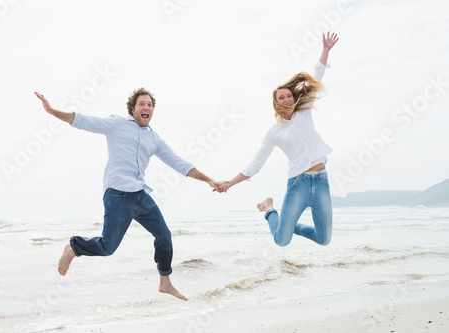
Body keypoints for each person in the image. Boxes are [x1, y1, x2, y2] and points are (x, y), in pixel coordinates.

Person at [35, 88, 222, 301]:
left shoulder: (154, 138)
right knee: (107, 248)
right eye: (142, 104)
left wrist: (209, 180)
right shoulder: (117, 124)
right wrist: (52, 111)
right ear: (133, 109)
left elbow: (179, 163)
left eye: (150, 105)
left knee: (164, 236)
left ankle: (165, 282)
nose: (146, 107)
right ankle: (74, 248)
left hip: (140, 195)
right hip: (117, 193)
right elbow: (84, 120)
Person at [217, 32, 339, 247]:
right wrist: (229, 183)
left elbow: (316, 76)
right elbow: (256, 164)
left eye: (289, 96)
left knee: (324, 239)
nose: (286, 99)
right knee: (281, 240)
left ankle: (288, 226)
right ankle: (269, 209)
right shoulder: (274, 132)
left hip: (321, 181)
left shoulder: (305, 112)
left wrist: (326, 50)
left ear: (293, 98)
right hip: (298, 184)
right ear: (276, 103)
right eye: (281, 97)